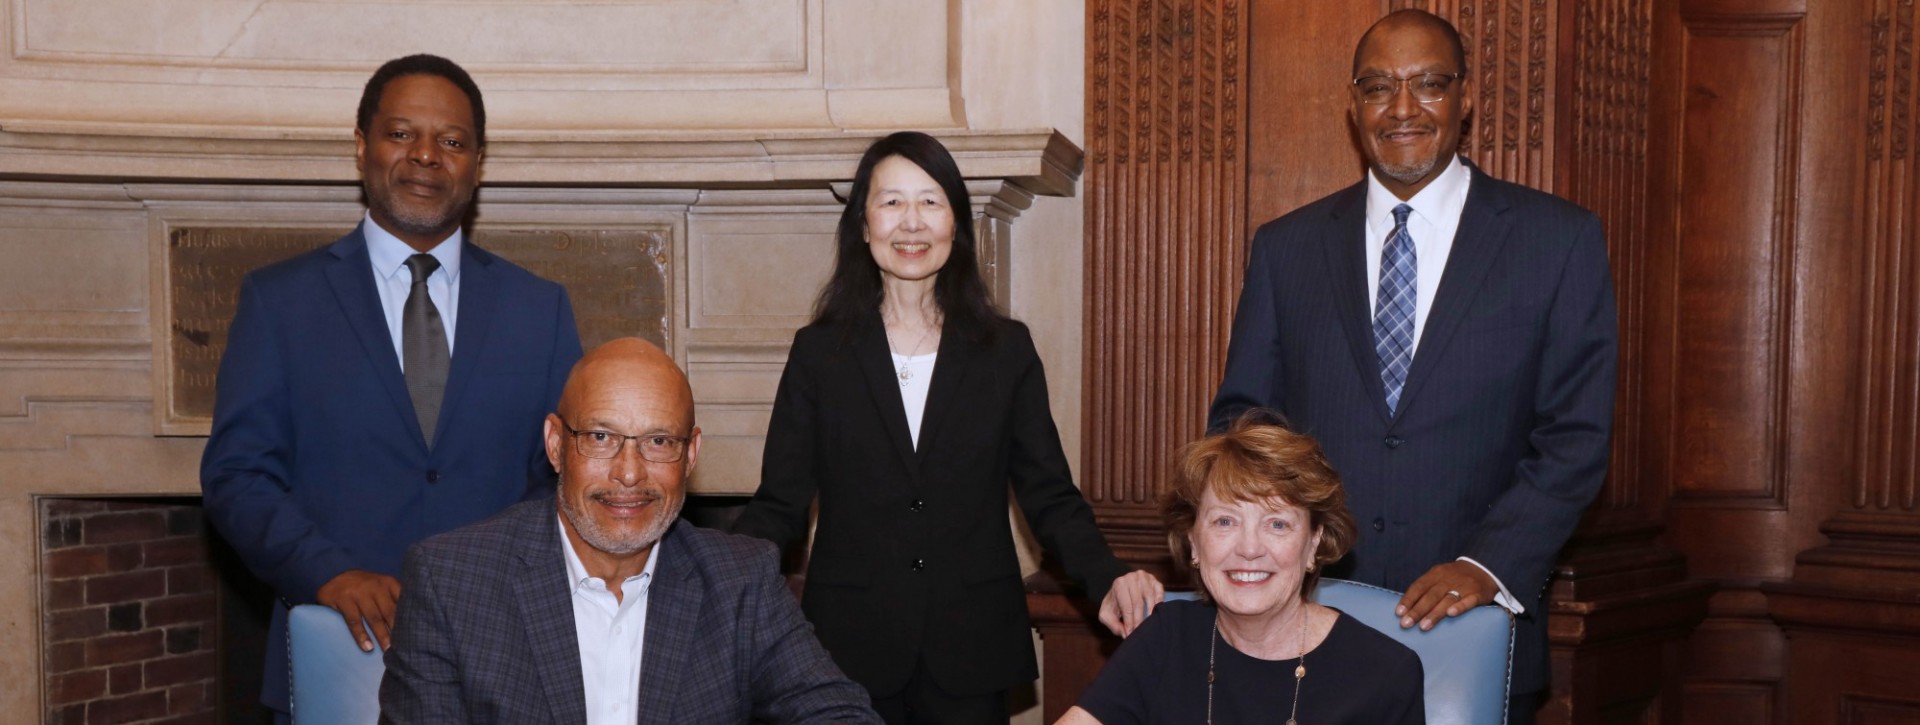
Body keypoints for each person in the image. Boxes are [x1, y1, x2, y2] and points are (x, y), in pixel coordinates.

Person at [1206, 9, 1617, 722]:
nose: (1402, 108)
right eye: (1377, 87)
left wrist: (1487, 565)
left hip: (1475, 633)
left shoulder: (1559, 240)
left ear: (1465, 98)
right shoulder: (1286, 248)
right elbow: (1245, 425)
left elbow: (1575, 436)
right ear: (1352, 103)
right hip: (1304, 630)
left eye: (1428, 84)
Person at [731, 131, 1164, 724]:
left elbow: (1050, 495)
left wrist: (1108, 576)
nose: (911, 223)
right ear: (863, 224)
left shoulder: (1005, 351)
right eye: (891, 202)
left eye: (930, 202)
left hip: (971, 646)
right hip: (849, 647)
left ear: (955, 224)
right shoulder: (819, 354)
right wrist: (712, 576)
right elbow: (780, 502)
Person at [199, 54, 584, 719]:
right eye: (402, 133)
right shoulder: (280, 301)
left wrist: (486, 582)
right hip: (337, 656)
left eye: (452, 141)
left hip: (503, 656)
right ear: (361, 146)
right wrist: (327, 572)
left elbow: (566, 475)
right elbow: (237, 475)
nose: (426, 155)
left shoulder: (539, 308)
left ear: (477, 162)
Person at [380, 338, 879, 723]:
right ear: (555, 445)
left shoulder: (740, 582)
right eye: (601, 437)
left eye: (659, 441)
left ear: (691, 456)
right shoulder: (452, 582)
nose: (629, 473)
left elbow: (840, 714)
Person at [1060, 413, 1425, 724]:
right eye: (1225, 522)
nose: (1249, 549)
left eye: (1277, 524)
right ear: (1194, 543)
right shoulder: (1164, 639)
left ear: (1314, 543)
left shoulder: (1385, 673)